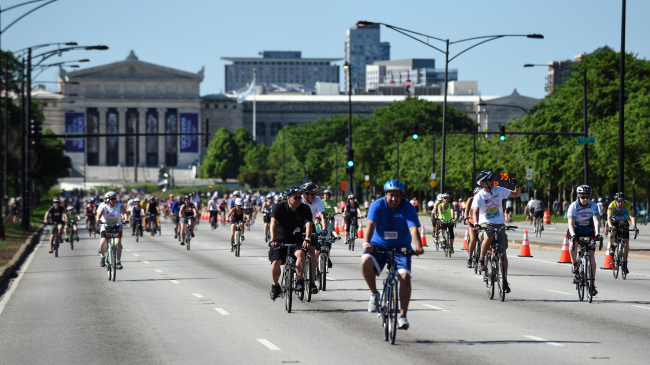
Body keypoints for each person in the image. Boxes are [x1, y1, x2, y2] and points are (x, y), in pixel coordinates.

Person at [361, 179, 424, 330]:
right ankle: (375, 294)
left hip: (401, 247)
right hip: (377, 246)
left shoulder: (407, 207)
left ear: (402, 196)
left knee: (405, 278)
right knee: (365, 262)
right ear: (385, 195)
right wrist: (366, 243)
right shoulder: (377, 205)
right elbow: (370, 225)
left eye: (397, 195)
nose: (394, 199)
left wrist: (418, 246)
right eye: (391, 195)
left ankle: (402, 316)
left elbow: (413, 228)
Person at [471, 170, 521, 294]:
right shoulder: (479, 196)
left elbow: (516, 194)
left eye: (492, 179)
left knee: (503, 253)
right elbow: (475, 211)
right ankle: (482, 259)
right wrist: (476, 223)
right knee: (489, 235)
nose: (493, 181)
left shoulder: (498, 190)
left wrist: (517, 185)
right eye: (490, 180)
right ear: (483, 183)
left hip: (499, 224)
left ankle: (504, 281)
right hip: (485, 223)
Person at [268, 186, 314, 300]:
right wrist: (273, 239)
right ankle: (275, 286)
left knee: (301, 254)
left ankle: (299, 281)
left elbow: (308, 224)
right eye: (295, 198)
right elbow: (273, 222)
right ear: (288, 198)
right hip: (279, 242)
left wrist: (307, 239)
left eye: (300, 197)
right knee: (276, 262)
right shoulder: (279, 207)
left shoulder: (305, 208)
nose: (298, 200)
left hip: (296, 242)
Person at [567, 185, 602, 295]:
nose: (586, 199)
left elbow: (596, 220)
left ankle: (592, 285)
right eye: (583, 197)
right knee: (572, 243)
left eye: (588, 197)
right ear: (578, 196)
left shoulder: (593, 205)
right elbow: (571, 224)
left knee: (591, 258)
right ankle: (574, 262)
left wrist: (597, 234)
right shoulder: (573, 206)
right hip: (576, 230)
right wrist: (573, 235)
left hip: (589, 230)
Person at [301, 182, 326, 293]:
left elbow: (322, 216)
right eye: (311, 194)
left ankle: (312, 283)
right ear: (305, 195)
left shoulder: (317, 200)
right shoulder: (299, 200)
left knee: (312, 253)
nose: (314, 195)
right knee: (298, 253)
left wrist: (324, 229)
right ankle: (298, 279)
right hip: (298, 227)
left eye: (315, 193)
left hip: (310, 227)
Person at [606, 192, 638, 274]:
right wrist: (610, 226)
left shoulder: (628, 204)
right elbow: (609, 217)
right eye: (619, 201)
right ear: (615, 201)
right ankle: (612, 246)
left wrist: (634, 227)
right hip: (614, 222)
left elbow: (632, 216)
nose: (620, 203)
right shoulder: (611, 205)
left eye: (622, 201)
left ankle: (624, 263)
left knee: (626, 243)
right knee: (612, 231)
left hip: (624, 222)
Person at [96, 191, 128, 269]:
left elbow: (124, 213)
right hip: (106, 227)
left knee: (118, 243)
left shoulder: (119, 206)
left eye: (115, 198)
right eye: (112, 199)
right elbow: (99, 214)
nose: (114, 200)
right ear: (107, 200)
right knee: (103, 242)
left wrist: (126, 219)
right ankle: (102, 257)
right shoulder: (104, 206)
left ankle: (118, 262)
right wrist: (98, 219)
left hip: (116, 227)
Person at [464, 188, 481, 268]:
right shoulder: (470, 200)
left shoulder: (484, 200)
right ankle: (469, 258)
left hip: (481, 223)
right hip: (472, 222)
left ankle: (482, 259)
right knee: (473, 239)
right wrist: (466, 219)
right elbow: (466, 211)